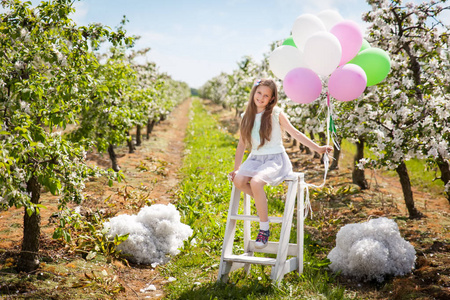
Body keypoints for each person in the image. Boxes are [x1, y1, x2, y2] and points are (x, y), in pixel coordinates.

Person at [228, 78, 333, 249]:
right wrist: (237, 168)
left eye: (266, 95)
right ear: (254, 92)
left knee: (255, 183)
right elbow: (241, 144)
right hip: (255, 158)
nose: (261, 97)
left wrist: (317, 148)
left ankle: (264, 229)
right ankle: (262, 200)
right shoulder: (246, 116)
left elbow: (296, 134)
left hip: (274, 159)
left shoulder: (275, 114)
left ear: (271, 99)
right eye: (259, 93)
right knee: (238, 181)